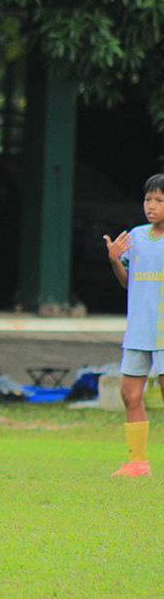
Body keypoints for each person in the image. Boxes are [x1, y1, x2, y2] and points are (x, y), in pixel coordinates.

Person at [104, 172, 164, 477]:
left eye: (159, 200)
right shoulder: (136, 237)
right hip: (139, 328)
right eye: (147, 199)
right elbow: (129, 283)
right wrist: (115, 260)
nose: (150, 206)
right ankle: (138, 464)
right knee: (130, 394)